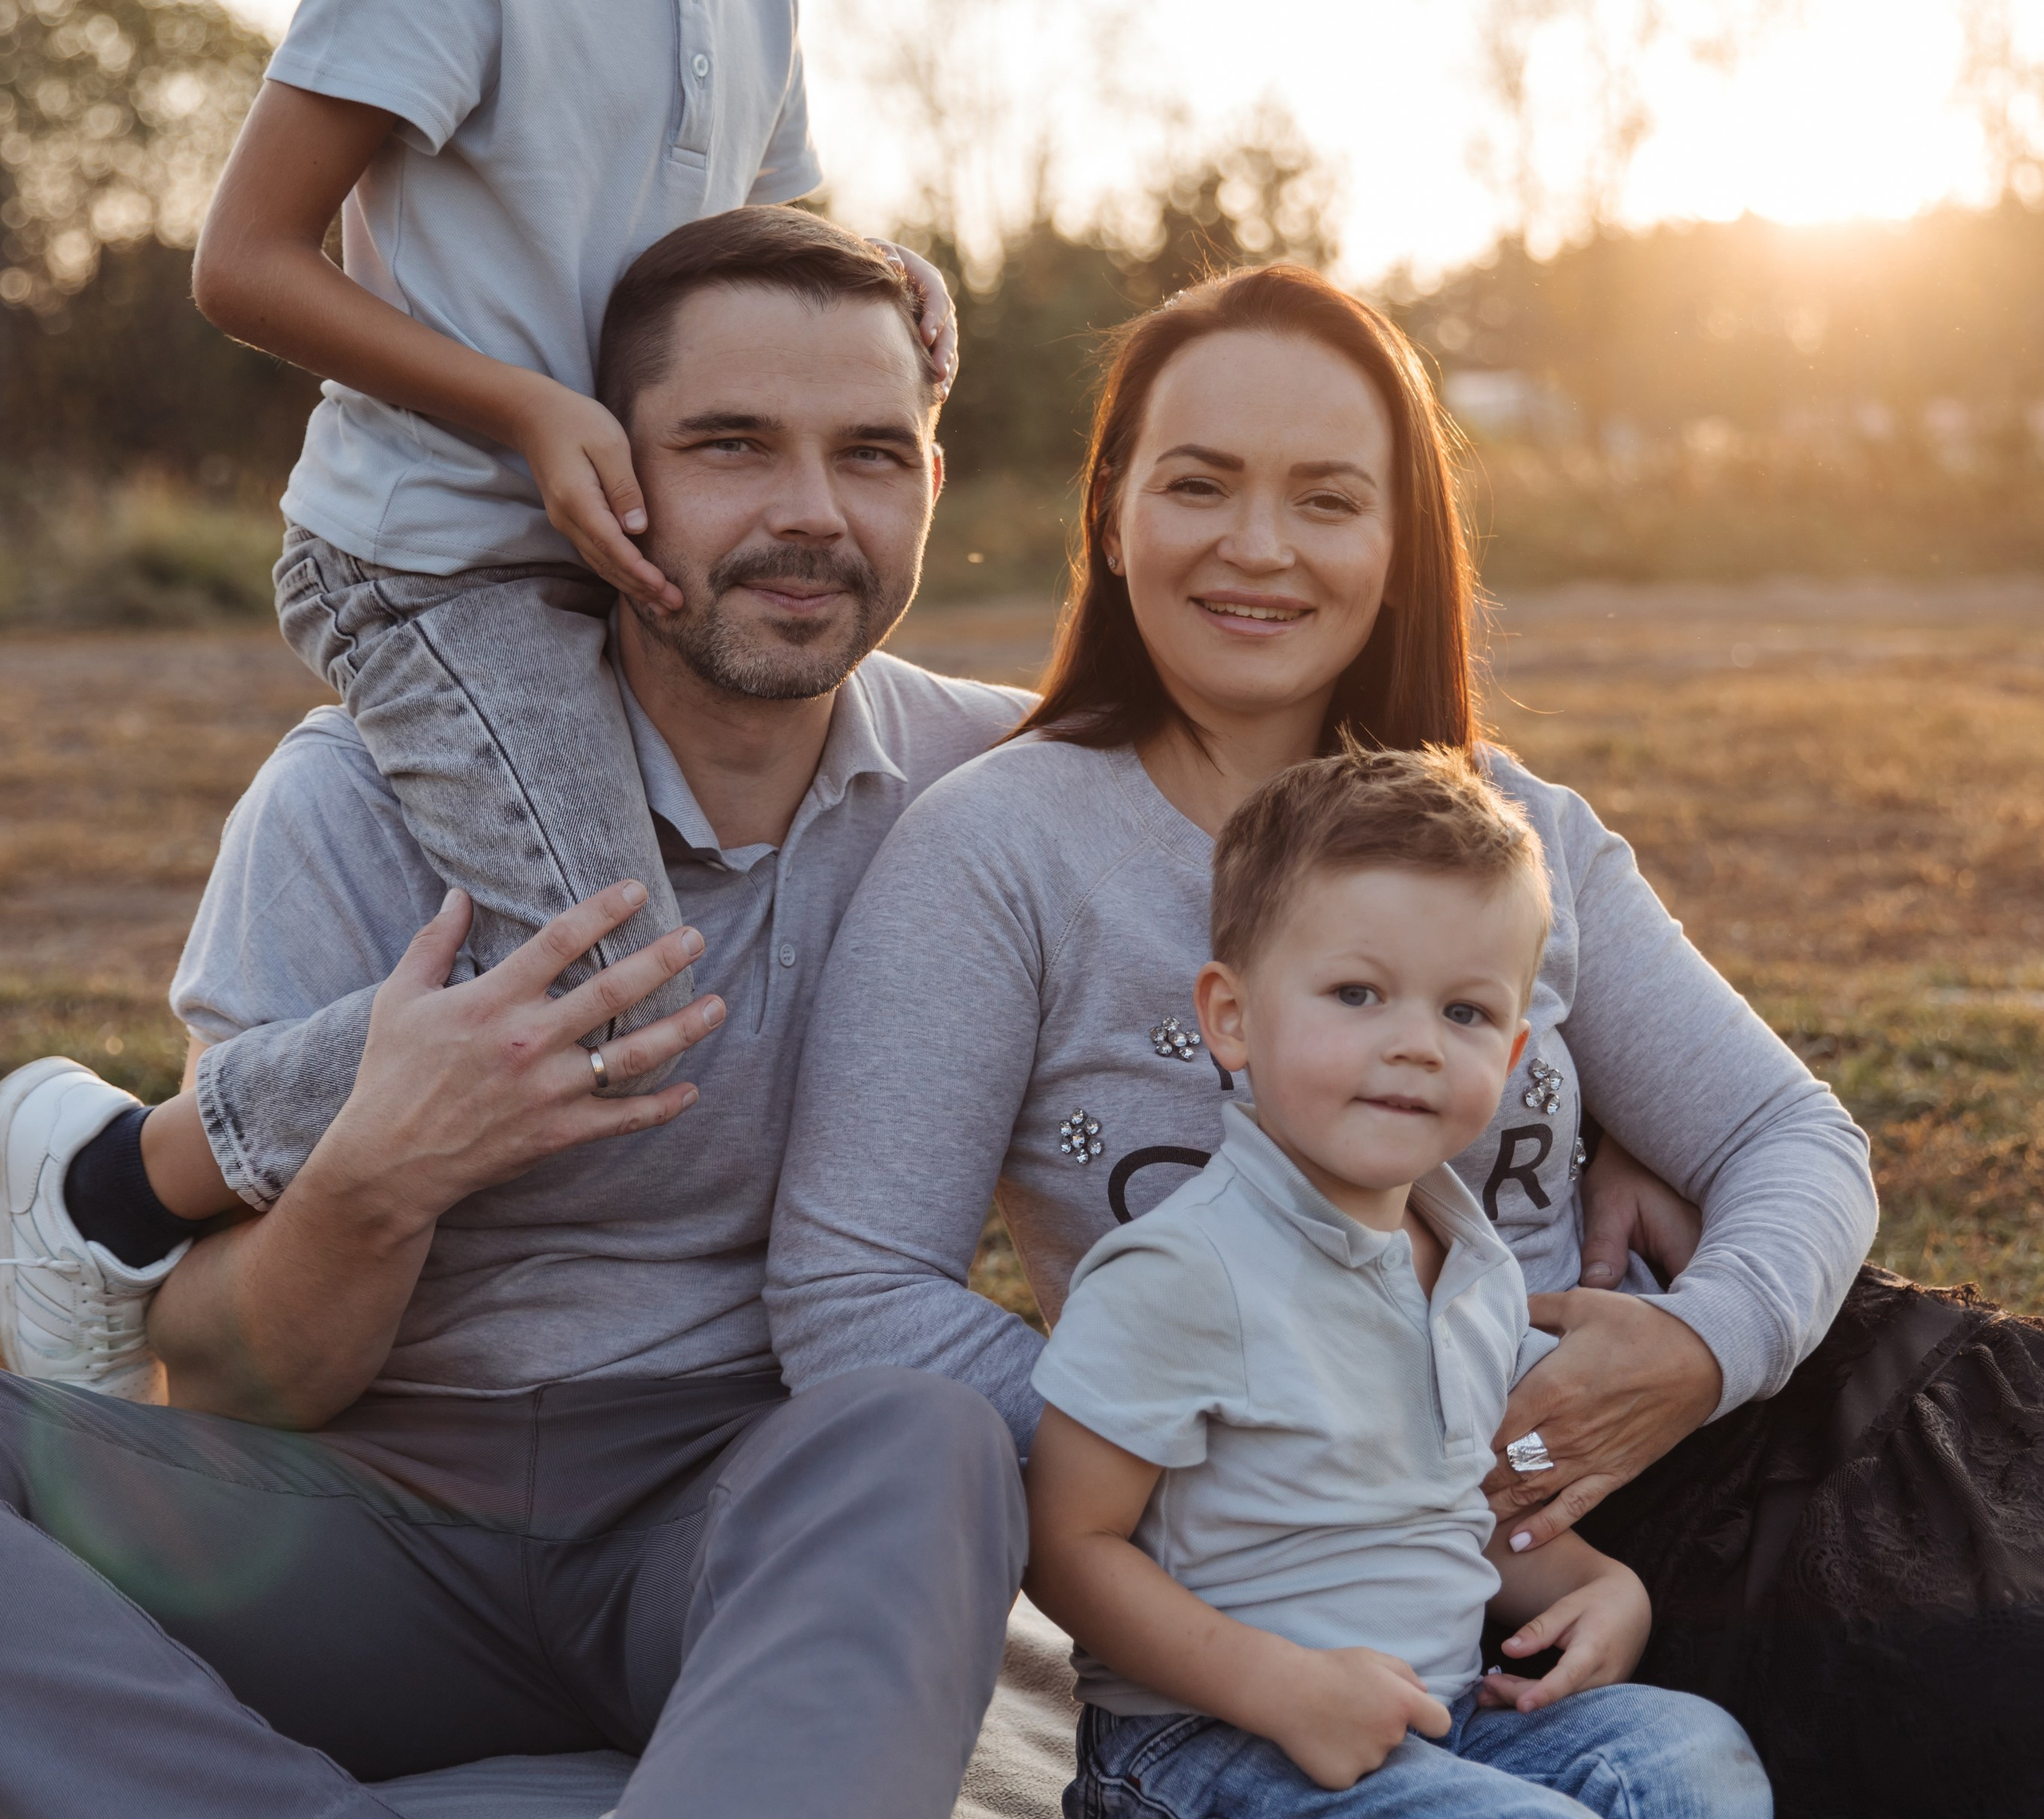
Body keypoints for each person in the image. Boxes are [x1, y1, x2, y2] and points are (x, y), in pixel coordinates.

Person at [768, 263, 2044, 1818]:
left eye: (1324, 497)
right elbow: (848, 1292)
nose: (1256, 543)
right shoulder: (1001, 852)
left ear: (1396, 543)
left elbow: (1789, 1142)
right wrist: (1241, 1430)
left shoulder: (1510, 835)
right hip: (1289, 1629)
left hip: (1673, 1505)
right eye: (1198, 483)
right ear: (1110, 510)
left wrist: (1697, 1344)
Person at [0, 212, 1027, 1819]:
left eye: (873, 454)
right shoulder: (352, 796)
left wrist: (1584, 1144)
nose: (811, 512)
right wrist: (377, 1174)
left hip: (736, 1527)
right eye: (730, 446)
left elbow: (1381, 830)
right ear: (602, 471)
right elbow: (222, 1370)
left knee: (923, 1437)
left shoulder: (1006, 796)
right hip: (361, 1523)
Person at [0, 0, 957, 1400]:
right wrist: (524, 409)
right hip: (433, 554)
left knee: (608, 989)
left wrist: (880, 273)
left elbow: (734, 255)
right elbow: (244, 258)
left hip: (598, 556)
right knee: (605, 997)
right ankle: (107, 1180)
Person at [1025, 744, 1770, 1819]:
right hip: (1210, 1742)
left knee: (1688, 1754)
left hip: (1438, 1716)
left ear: (1512, 1058)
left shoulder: (1470, 1269)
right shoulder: (1184, 1272)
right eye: (1358, 994)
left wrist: (1600, 1585)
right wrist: (1276, 1688)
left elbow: (1459, 1503)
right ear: (1231, 1018)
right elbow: (1067, 1547)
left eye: (1464, 1014)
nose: (1416, 1045)